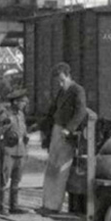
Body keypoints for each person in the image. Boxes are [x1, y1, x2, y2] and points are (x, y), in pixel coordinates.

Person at [39, 63, 87, 213]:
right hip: (57, 131)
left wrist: (68, 129)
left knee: (61, 169)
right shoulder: (62, 92)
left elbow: (80, 112)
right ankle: (47, 204)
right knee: (51, 168)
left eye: (61, 80)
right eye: (57, 81)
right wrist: (40, 125)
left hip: (66, 135)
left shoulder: (77, 90)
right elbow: (52, 110)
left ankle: (54, 206)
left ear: (68, 75)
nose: (60, 84)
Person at [0, 90, 29, 214]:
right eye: (22, 102)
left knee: (16, 180)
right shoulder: (5, 114)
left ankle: (14, 206)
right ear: (15, 102)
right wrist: (5, 124)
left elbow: (23, 131)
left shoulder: (21, 115)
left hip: (20, 151)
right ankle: (1, 207)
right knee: (4, 179)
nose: (25, 104)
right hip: (8, 151)